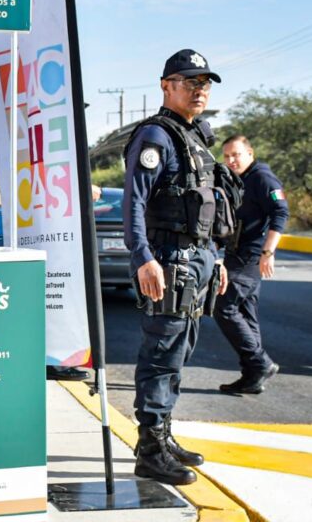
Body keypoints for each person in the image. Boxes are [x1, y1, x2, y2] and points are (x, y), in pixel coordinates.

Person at [122, 49, 228, 486]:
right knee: (162, 352)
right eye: (190, 82)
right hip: (168, 258)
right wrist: (143, 256)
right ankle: (149, 449)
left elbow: (208, 206)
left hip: (198, 258)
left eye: (204, 83)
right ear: (166, 86)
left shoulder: (195, 137)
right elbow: (134, 202)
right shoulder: (156, 136)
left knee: (181, 350)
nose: (199, 90)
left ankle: (163, 437)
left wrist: (216, 256)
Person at [214, 136, 288, 395]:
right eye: (226, 156)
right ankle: (251, 376)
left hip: (251, 256)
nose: (231, 160)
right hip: (237, 252)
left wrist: (268, 251)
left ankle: (260, 363)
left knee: (223, 305)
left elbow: (281, 212)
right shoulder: (239, 178)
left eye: (236, 154)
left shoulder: (261, 178)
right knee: (246, 313)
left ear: (250, 153)